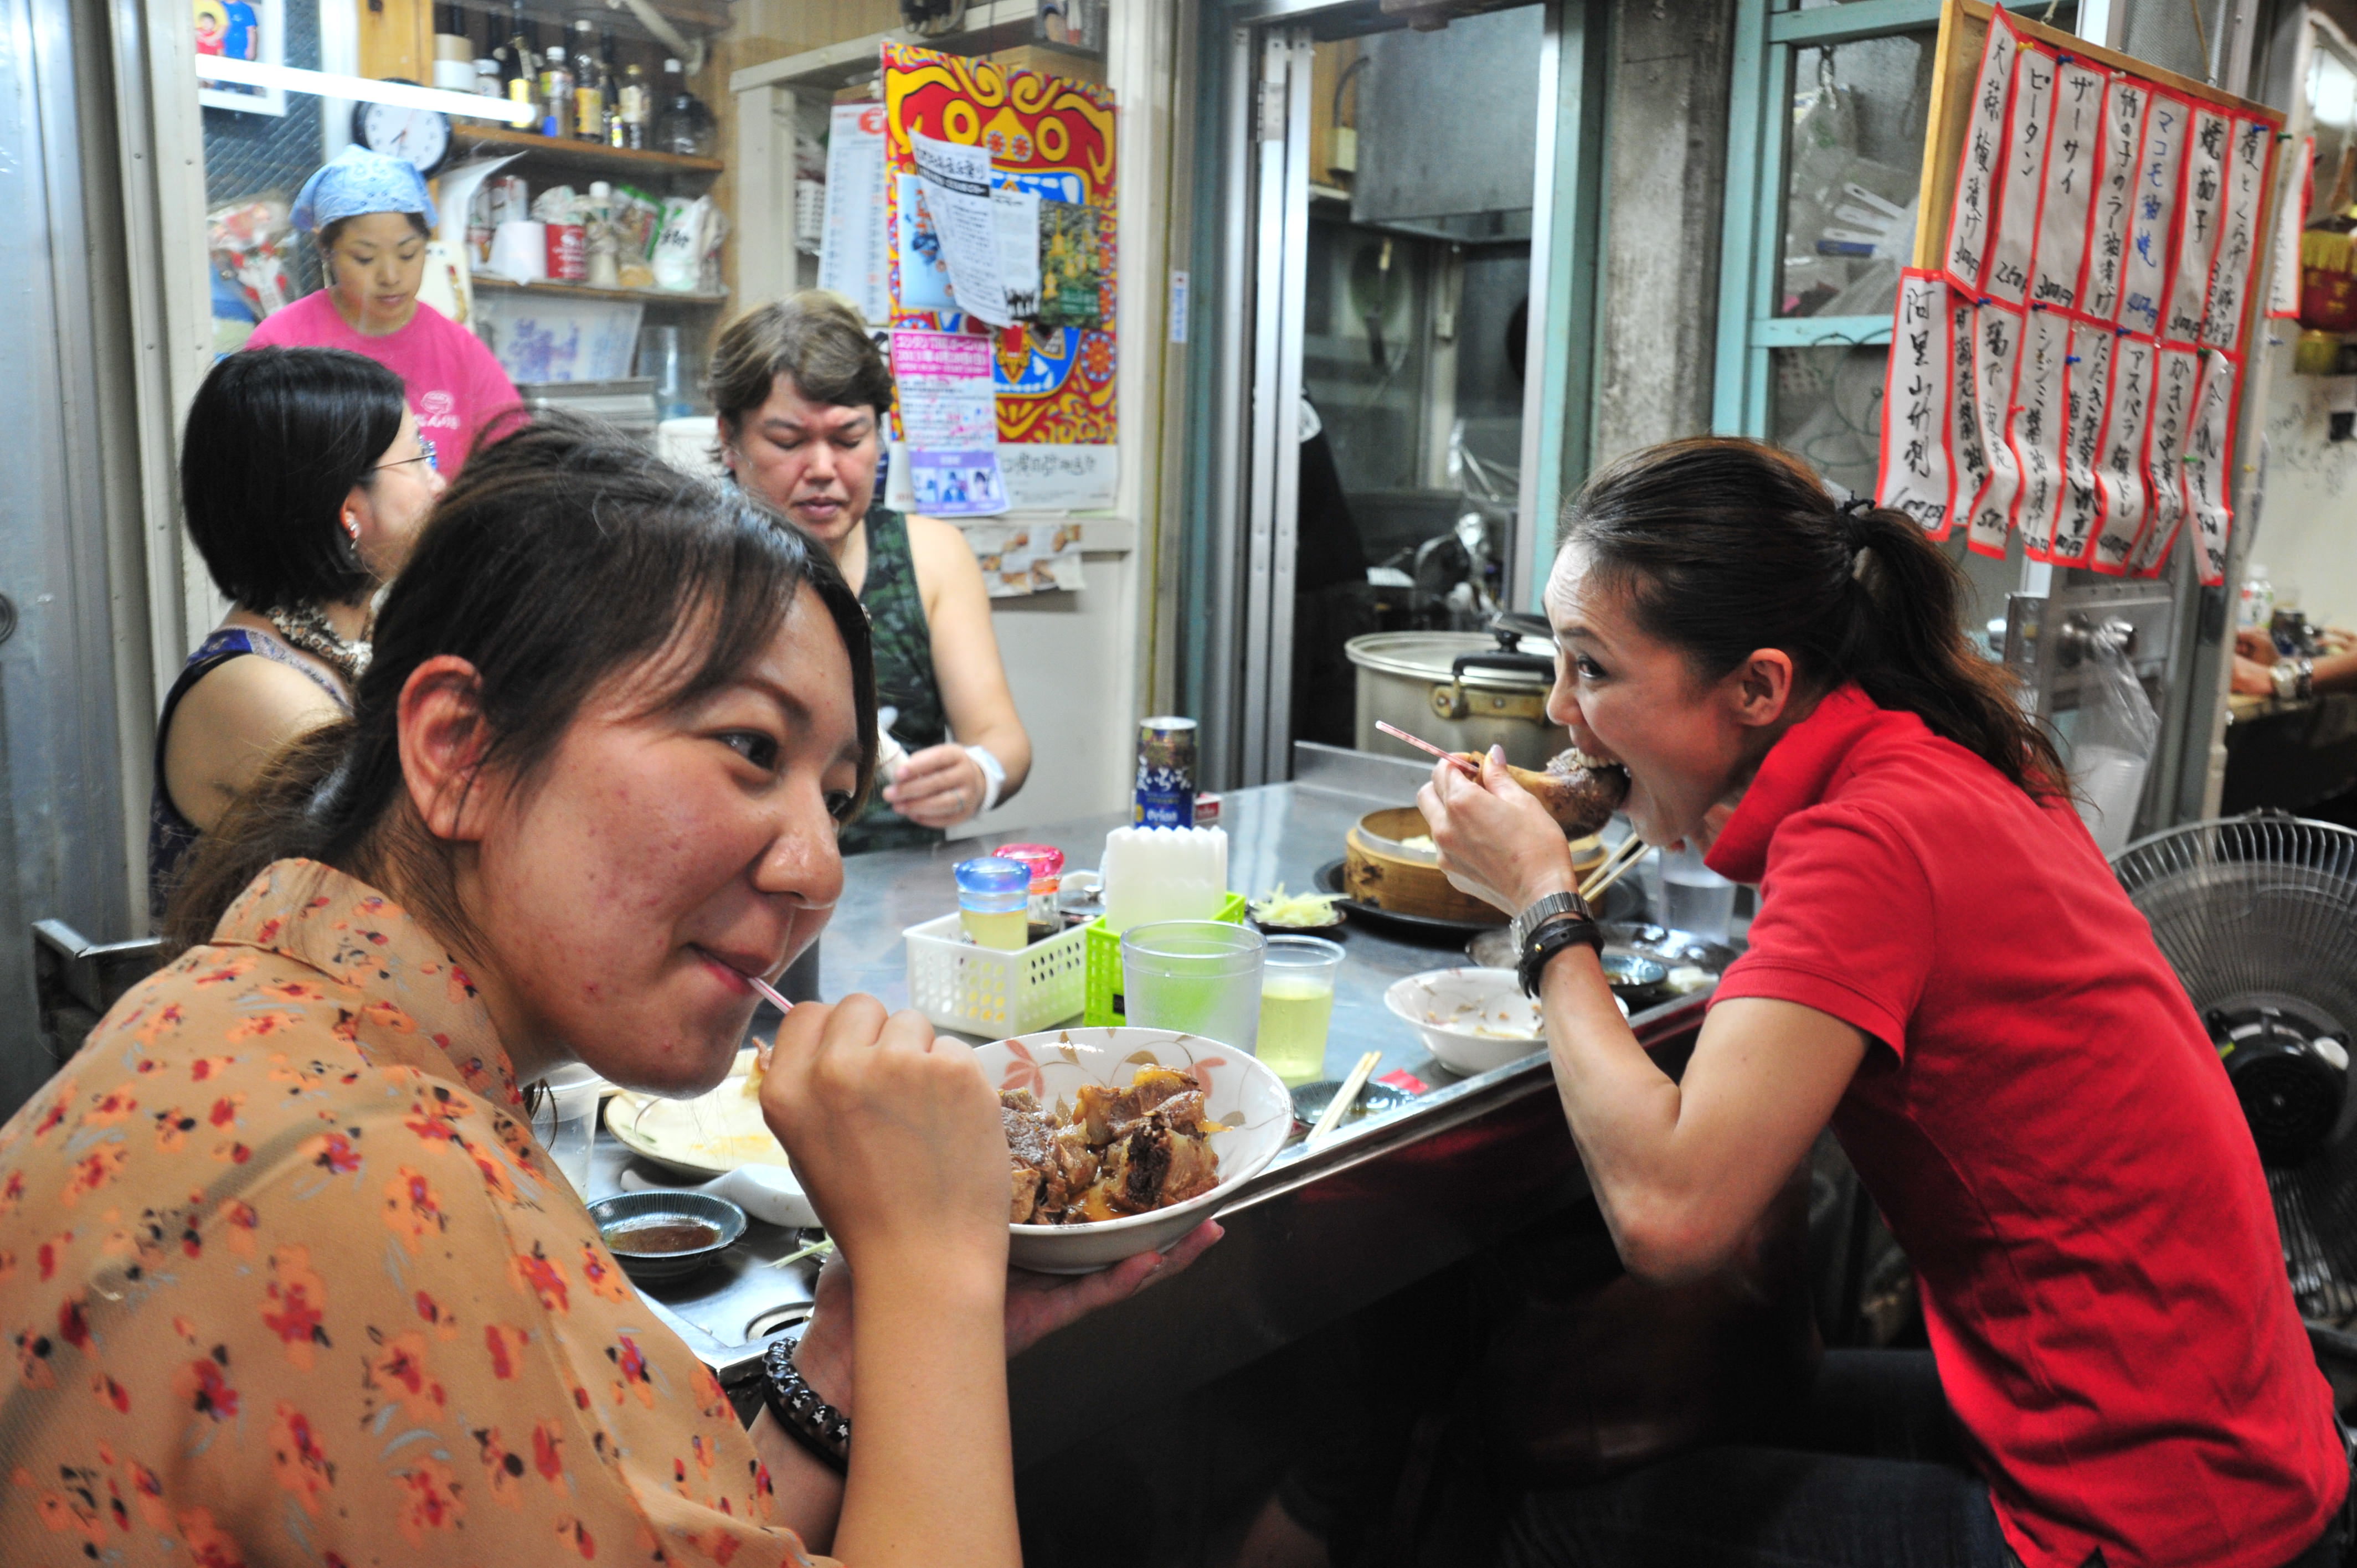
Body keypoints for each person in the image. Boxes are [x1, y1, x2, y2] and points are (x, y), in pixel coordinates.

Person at [1, 414, 1210, 1565]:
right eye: (749, 750)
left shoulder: (270, 1009)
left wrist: (848, 1352)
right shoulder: (378, 1179)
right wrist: (931, 1273)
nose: (819, 870)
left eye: (834, 801)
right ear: (459, 748)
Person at [1417, 437, 2349, 1568]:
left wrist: (1539, 902)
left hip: (2150, 1517)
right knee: (1734, 1403)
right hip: (2220, 1441)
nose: (1561, 712)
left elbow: (1670, 1219)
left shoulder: (1871, 839)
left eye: (1593, 669)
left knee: (1547, 1522)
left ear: (1759, 686)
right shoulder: (1939, 757)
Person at [711, 293, 1031, 853]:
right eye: (787, 442)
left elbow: (1002, 739)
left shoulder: (930, 557)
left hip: (894, 891)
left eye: (849, 439)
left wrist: (980, 775)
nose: (822, 469)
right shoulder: (691, 569)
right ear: (729, 440)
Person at [150, 346, 445, 915]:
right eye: (417, 459)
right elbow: (406, 874)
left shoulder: (349, 643)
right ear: (347, 507)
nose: (439, 483)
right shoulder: (253, 688)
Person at [246, 145, 519, 477]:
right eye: (364, 258)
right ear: (326, 251)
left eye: (408, 255)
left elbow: (518, 459)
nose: (390, 277)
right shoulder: (282, 343)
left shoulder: (459, 350)